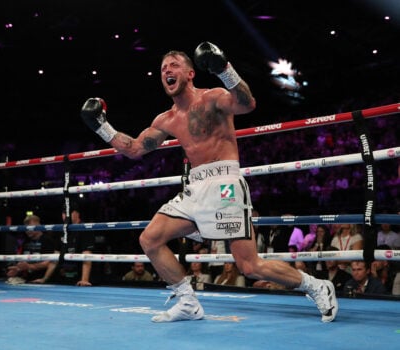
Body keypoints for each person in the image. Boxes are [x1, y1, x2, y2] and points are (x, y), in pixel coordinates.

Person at [81, 41, 338, 323]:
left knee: (249, 265)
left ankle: (316, 285)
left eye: (174, 65)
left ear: (190, 73)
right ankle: (188, 303)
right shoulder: (165, 119)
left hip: (225, 182)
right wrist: (101, 126)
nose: (167, 70)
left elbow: (246, 103)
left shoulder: (213, 97)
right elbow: (134, 149)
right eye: (163, 68)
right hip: (195, 186)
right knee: (150, 239)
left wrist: (223, 68)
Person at [6, 215, 57, 284]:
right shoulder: (25, 241)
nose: (28, 231)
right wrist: (17, 269)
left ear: (38, 226)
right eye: (26, 228)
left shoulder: (47, 241)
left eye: (30, 228)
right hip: (27, 279)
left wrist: (30, 266)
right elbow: (22, 261)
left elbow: (51, 262)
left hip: (43, 279)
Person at [56, 208, 95, 286]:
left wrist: (84, 280)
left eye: (69, 212)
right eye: (64, 213)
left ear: (77, 214)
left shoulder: (84, 228)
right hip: (63, 278)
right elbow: (55, 255)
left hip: (80, 277)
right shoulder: (62, 230)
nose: (66, 215)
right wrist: (44, 278)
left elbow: (87, 255)